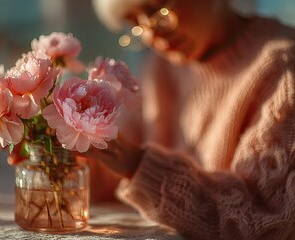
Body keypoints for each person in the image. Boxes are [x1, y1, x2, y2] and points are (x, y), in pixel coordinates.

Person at [87, 0, 295, 239]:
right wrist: (71, 157)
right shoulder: (158, 67)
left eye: (157, 9)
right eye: (133, 22)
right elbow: (112, 173)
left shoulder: (284, 67)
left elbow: (264, 220)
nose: (150, 33)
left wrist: (137, 165)